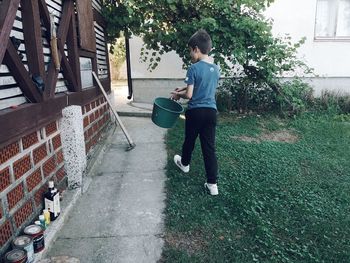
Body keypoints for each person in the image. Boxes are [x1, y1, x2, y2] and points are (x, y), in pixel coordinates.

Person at [170, 29, 220, 196]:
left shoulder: (193, 68)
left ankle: (184, 164)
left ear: (196, 49)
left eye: (190, 50)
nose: (190, 54)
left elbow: (190, 95)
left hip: (195, 112)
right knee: (209, 147)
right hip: (211, 112)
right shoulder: (216, 68)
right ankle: (212, 184)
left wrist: (179, 94)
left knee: (189, 141)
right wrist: (183, 87)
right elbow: (203, 85)